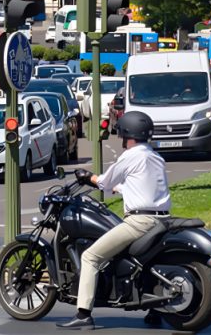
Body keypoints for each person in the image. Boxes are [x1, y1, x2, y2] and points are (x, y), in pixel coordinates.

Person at [57, 111, 171, 330]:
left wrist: (87, 177)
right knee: (144, 262)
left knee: (90, 257)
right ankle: (155, 310)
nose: (121, 140)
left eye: (121, 136)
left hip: (140, 222)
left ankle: (83, 313)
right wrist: (116, 188)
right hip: (162, 219)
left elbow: (105, 181)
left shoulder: (131, 155)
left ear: (128, 135)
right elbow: (135, 186)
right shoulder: (154, 156)